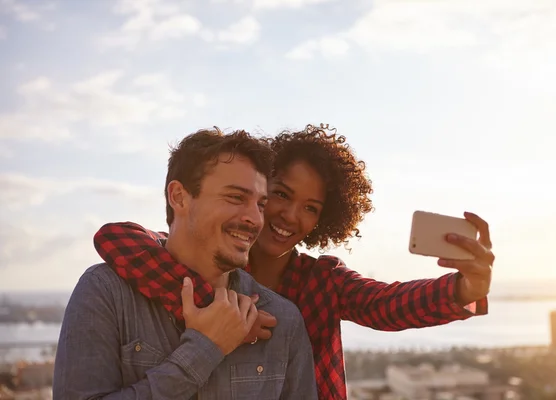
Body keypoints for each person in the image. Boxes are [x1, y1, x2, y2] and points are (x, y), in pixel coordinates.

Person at [93, 124, 495, 400]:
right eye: (281, 194)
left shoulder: (322, 282)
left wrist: (464, 289)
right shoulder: (208, 265)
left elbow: (385, 304)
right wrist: (217, 306)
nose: (289, 216)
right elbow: (119, 239)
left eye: (311, 208)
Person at [53, 128, 318, 400]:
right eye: (236, 197)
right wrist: (205, 348)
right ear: (179, 197)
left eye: (260, 205)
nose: (255, 219)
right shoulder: (105, 293)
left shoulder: (280, 320)